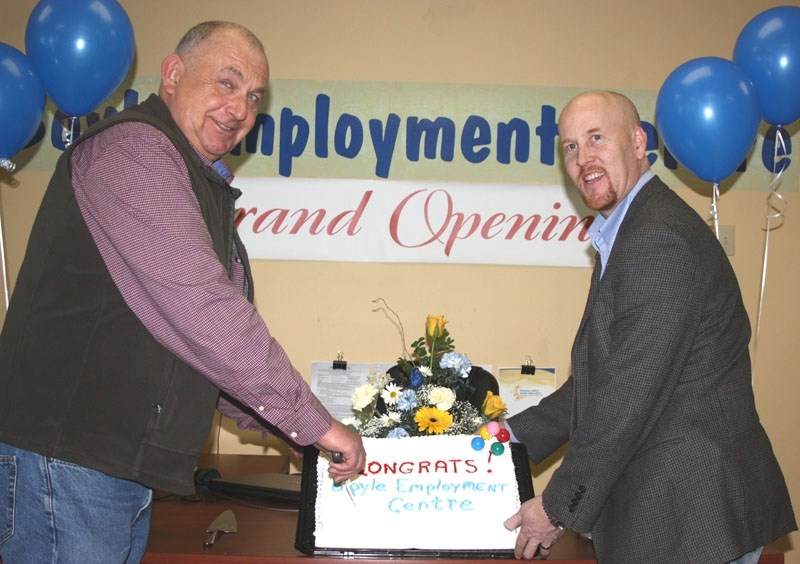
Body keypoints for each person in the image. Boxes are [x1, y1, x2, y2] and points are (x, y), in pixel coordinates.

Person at [0, 21, 365, 563]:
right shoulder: (137, 151)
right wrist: (314, 422)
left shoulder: (198, 180)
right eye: (226, 82)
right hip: (71, 457)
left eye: (253, 96)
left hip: (111, 464)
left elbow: (190, 344)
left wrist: (296, 431)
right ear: (173, 74)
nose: (240, 107)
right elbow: (206, 314)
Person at [502, 91, 796, 563]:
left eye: (597, 138)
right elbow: (605, 382)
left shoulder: (657, 238)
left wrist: (557, 507)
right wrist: (507, 437)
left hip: (692, 512)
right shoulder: (631, 231)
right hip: (680, 512)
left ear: (638, 142)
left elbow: (626, 397)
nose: (583, 158)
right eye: (571, 147)